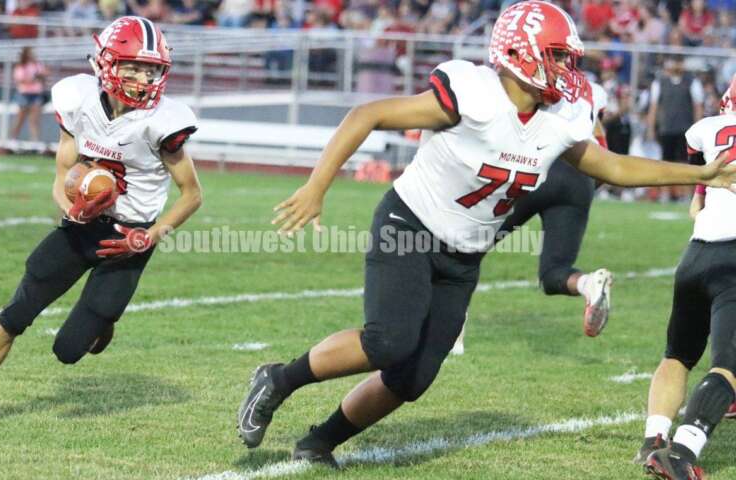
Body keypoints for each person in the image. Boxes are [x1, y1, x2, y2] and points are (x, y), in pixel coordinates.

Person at [234, 1, 736, 467]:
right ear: (520, 51)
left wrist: (700, 175)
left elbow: (612, 166)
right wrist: (317, 186)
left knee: (412, 378)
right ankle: (277, 380)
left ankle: (319, 441)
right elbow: (370, 113)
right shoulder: (473, 93)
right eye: (557, 56)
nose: (566, 69)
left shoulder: (559, 119)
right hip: (410, 226)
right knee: (389, 341)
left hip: (464, 255)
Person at [0, 16, 202, 424]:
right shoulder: (76, 99)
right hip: (82, 226)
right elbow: (62, 174)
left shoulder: (162, 121)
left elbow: (193, 194)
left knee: (68, 350)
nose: (142, 78)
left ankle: (102, 323)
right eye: (132, 66)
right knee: (17, 311)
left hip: (129, 238)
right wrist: (69, 206)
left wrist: (150, 236)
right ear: (106, 63)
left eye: (150, 69)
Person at [451, 80, 613, 356]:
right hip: (580, 176)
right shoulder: (591, 89)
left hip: (536, 165)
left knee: (467, 249)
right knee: (554, 273)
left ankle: (452, 329)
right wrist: (582, 189)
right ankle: (588, 284)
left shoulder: (534, 78)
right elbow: (601, 147)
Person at [637, 75, 736, 480]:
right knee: (727, 365)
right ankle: (681, 451)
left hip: (697, 253)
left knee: (677, 354)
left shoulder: (709, 129)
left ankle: (654, 438)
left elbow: (696, 206)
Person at [646, 55, 705, 202]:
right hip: (667, 128)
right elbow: (654, 107)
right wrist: (651, 128)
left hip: (686, 128)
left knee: (686, 163)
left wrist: (697, 128)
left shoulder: (691, 82)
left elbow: (698, 106)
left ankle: (686, 195)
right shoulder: (659, 82)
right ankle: (665, 194)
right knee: (666, 161)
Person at [10, 46, 49, 152]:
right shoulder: (22, 66)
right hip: (24, 93)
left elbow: (45, 75)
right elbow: (20, 79)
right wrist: (32, 79)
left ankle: (35, 141)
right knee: (20, 118)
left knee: (34, 119)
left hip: (36, 93)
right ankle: (13, 139)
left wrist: (40, 76)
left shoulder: (37, 65)